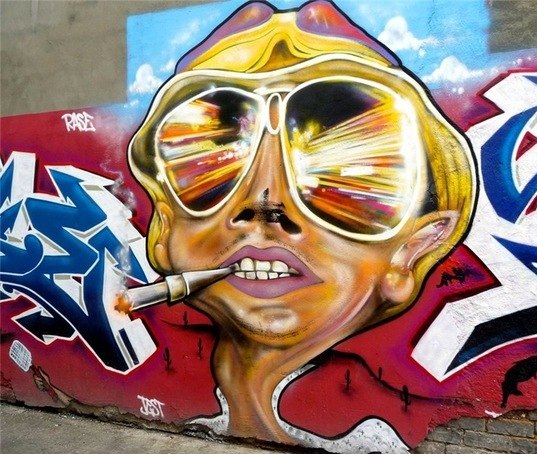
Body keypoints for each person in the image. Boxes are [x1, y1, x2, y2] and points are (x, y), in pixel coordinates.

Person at [128, 0, 476, 447]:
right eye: (211, 158)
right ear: (164, 221)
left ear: (413, 247)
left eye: (344, 174)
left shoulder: (382, 428)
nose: (264, 204)